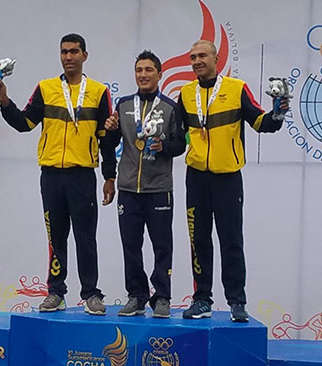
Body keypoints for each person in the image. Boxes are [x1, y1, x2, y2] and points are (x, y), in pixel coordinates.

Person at [0, 33, 116, 315]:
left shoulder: (98, 92)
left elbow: (106, 137)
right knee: (56, 236)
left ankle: (91, 294)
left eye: (74, 51)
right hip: (51, 176)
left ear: (85, 55)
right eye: (64, 52)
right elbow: (25, 123)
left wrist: (110, 176)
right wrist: (5, 102)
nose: (69, 56)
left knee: (86, 237)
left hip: (82, 175)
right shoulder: (46, 89)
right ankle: (56, 292)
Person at [178, 40, 289, 322]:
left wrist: (278, 112)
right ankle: (202, 299)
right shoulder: (185, 93)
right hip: (196, 179)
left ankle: (237, 302)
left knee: (231, 241)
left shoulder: (236, 89)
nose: (197, 61)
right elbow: (177, 137)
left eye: (202, 56)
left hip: (227, 178)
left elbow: (261, 123)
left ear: (217, 58)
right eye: (192, 57)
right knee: (198, 240)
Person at [105, 50, 185, 318]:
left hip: (159, 189)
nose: (143, 75)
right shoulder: (124, 105)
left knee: (162, 246)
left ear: (160, 74)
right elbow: (110, 144)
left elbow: (180, 145)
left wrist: (163, 147)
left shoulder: (171, 108)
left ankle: (162, 297)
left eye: (149, 70)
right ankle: (136, 296)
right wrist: (110, 129)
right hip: (128, 189)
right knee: (131, 245)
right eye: (139, 70)